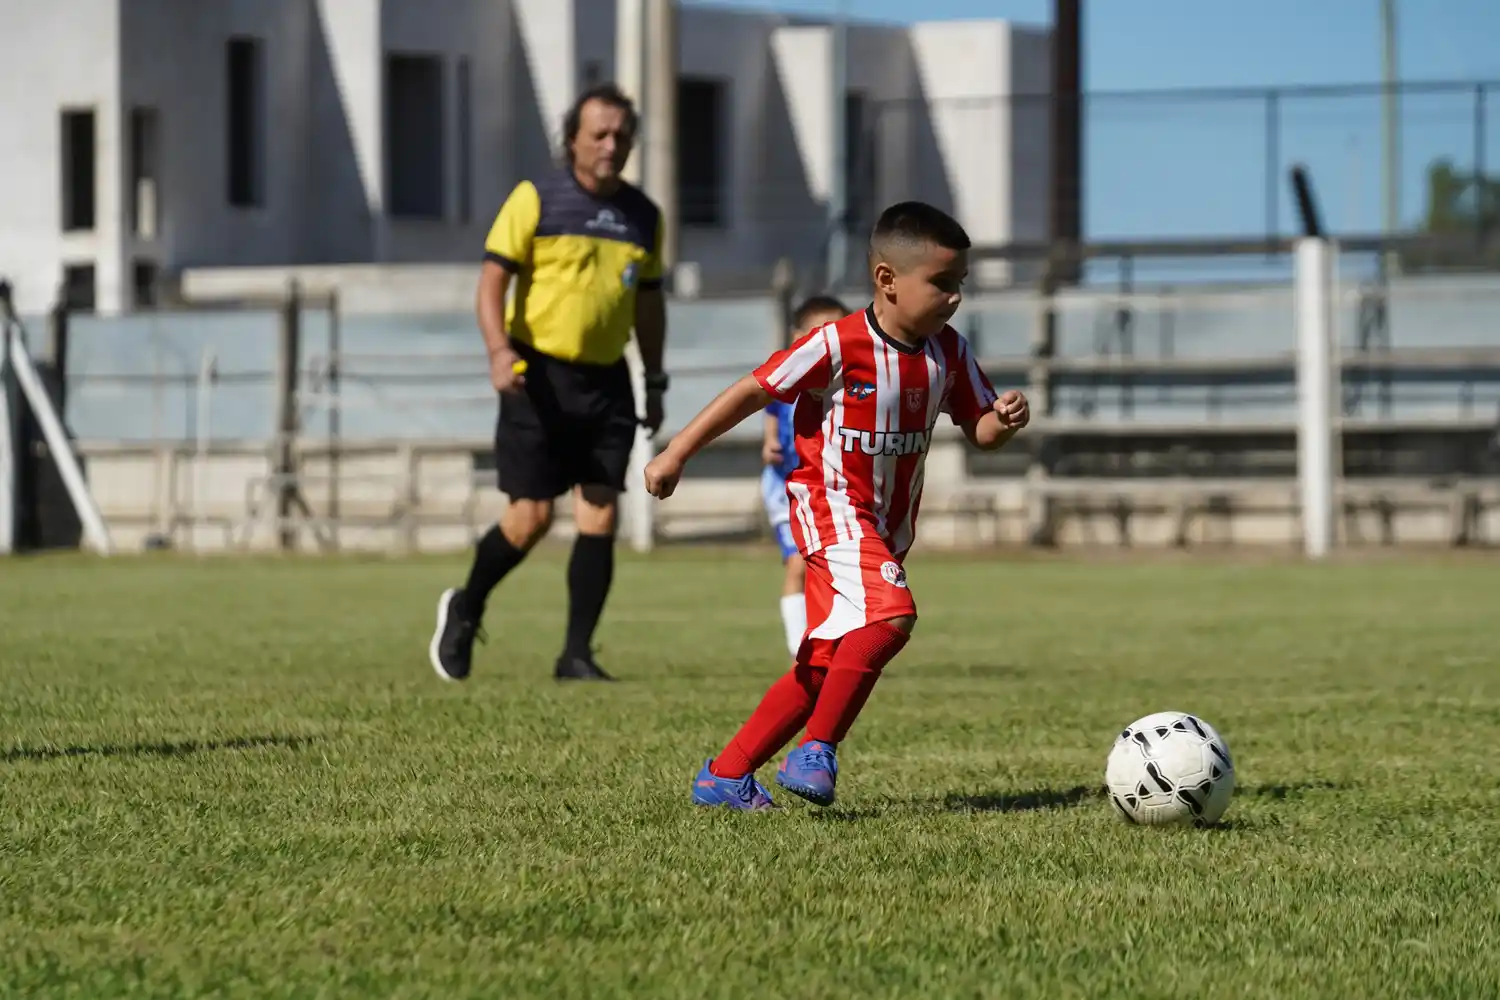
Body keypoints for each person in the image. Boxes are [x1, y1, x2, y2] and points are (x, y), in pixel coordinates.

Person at [644, 201, 1030, 810]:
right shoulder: (836, 344)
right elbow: (752, 389)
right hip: (831, 511)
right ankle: (818, 747)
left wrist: (1003, 422)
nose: (955, 298)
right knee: (891, 616)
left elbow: (978, 429)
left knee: (824, 664)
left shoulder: (948, 352)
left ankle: (726, 773)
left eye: (960, 285)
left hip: (885, 526)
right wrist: (676, 455)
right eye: (941, 284)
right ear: (887, 281)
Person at [429, 82, 669, 684]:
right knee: (530, 518)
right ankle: (466, 605)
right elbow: (490, 284)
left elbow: (649, 307)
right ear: (572, 140)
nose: (612, 145)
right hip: (535, 377)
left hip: (608, 381)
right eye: (600, 134)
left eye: (622, 135)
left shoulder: (644, 216)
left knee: (599, 513)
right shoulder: (535, 198)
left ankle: (575, 655)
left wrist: (656, 378)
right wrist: (496, 350)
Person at [761, 295, 848, 659]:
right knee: (798, 562)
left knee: (830, 568)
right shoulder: (787, 372)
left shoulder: (850, 378)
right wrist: (768, 442)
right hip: (786, 487)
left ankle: (833, 642)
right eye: (817, 332)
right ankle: (800, 648)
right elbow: (768, 404)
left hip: (829, 488)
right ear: (797, 335)